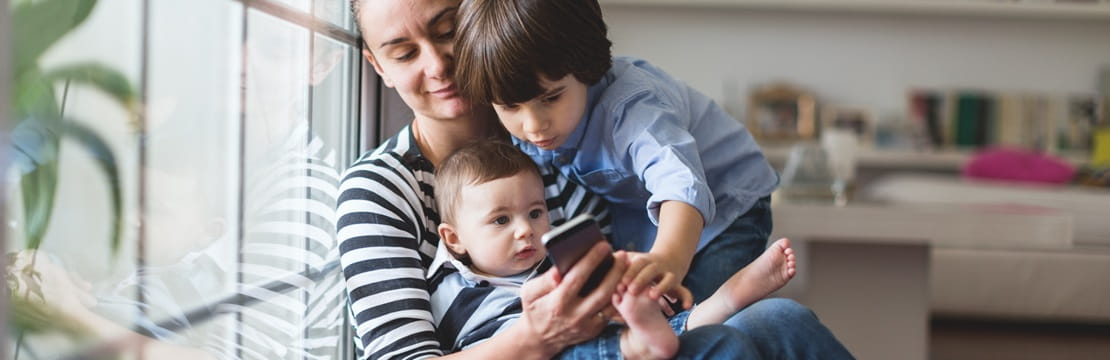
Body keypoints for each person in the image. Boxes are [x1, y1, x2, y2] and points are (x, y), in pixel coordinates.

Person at [342, 0, 853, 359]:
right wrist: (535, 338)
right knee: (730, 342)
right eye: (404, 52)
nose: (437, 65)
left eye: (448, 28)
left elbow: (629, 260)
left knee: (783, 320)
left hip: (629, 316)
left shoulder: (545, 149)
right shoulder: (380, 191)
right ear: (377, 66)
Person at [453, 0, 779, 303]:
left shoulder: (631, 109)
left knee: (693, 310)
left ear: (585, 67)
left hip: (729, 203)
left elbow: (681, 184)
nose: (534, 125)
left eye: (551, 98)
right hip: (643, 217)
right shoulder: (533, 130)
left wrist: (669, 259)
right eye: (510, 107)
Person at [429, 141, 798, 360]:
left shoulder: (555, 262)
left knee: (663, 319)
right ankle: (646, 338)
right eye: (500, 221)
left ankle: (728, 297)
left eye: (536, 212)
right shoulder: (450, 289)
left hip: (603, 329)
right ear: (454, 238)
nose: (526, 230)